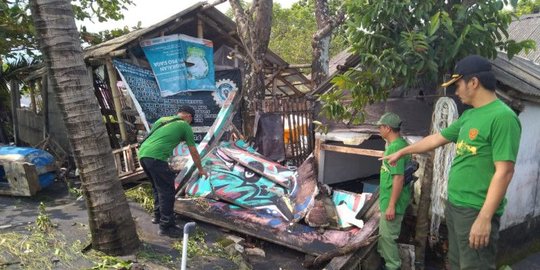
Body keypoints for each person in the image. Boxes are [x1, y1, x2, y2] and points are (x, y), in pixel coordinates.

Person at [382, 55, 521, 269]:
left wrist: (484, 218)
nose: (456, 92)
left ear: (473, 82)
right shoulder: (469, 116)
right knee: (456, 264)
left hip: (476, 209)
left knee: (475, 266)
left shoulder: (503, 118)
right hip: (456, 205)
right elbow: (436, 139)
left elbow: (504, 172)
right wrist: (402, 152)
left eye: (458, 85)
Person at [138, 105, 208, 238]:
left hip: (143, 155)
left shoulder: (162, 120)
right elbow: (193, 150)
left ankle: (158, 216)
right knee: (167, 191)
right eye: (190, 122)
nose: (190, 124)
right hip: (156, 157)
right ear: (189, 116)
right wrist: (200, 169)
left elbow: (157, 138)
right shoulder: (184, 125)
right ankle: (166, 226)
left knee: (157, 187)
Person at [376, 112, 411, 270]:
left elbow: (398, 178)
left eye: (380, 127)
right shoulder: (399, 144)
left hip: (393, 200)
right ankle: (386, 262)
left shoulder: (395, 148)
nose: (379, 130)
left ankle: (393, 266)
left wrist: (391, 205)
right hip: (390, 197)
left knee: (388, 237)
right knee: (385, 235)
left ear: (387, 128)